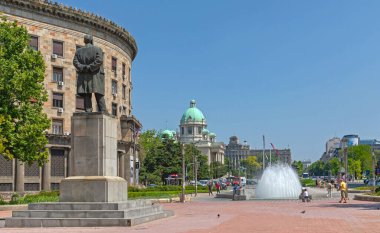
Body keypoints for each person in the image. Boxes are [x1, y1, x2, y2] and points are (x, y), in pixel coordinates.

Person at [73, 34, 107, 113]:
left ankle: (88, 110)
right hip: (95, 75)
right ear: (92, 40)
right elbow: (99, 60)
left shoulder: (78, 51)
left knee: (86, 94)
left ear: (84, 41)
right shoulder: (97, 49)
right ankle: (103, 110)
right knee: (99, 93)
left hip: (84, 75)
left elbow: (75, 62)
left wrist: (83, 67)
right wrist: (90, 67)